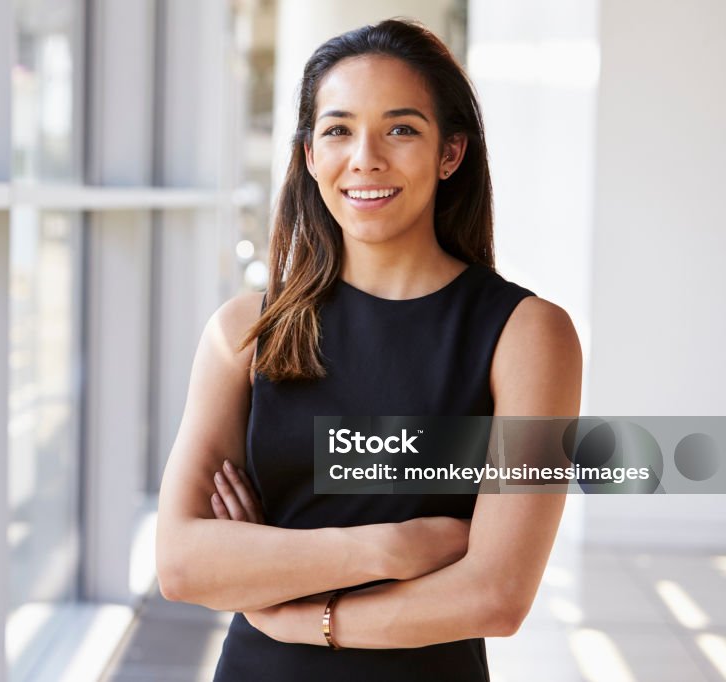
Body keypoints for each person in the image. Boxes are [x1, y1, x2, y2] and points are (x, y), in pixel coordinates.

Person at [155, 17, 582, 681]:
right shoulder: (244, 332)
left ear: (451, 153)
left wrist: (287, 595)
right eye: (338, 130)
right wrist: (392, 547)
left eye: (402, 128)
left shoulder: (528, 336)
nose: (366, 158)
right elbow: (181, 563)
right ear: (307, 155)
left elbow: (495, 596)